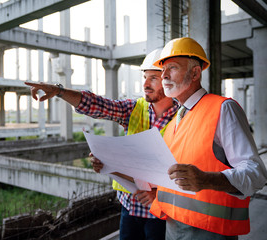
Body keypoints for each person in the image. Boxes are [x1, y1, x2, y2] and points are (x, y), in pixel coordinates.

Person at [25, 49, 179, 240]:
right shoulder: (134, 108)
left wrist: (160, 193)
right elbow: (97, 105)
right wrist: (59, 91)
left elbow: (188, 165)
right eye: (145, 77)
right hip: (129, 207)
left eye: (153, 78)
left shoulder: (183, 117)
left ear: (168, 80)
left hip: (163, 211)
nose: (145, 84)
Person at [148, 37, 267, 240]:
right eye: (163, 70)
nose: (164, 76)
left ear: (195, 73)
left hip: (209, 232)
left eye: (172, 68)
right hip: (172, 226)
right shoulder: (175, 122)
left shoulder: (222, 109)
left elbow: (256, 174)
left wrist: (207, 180)